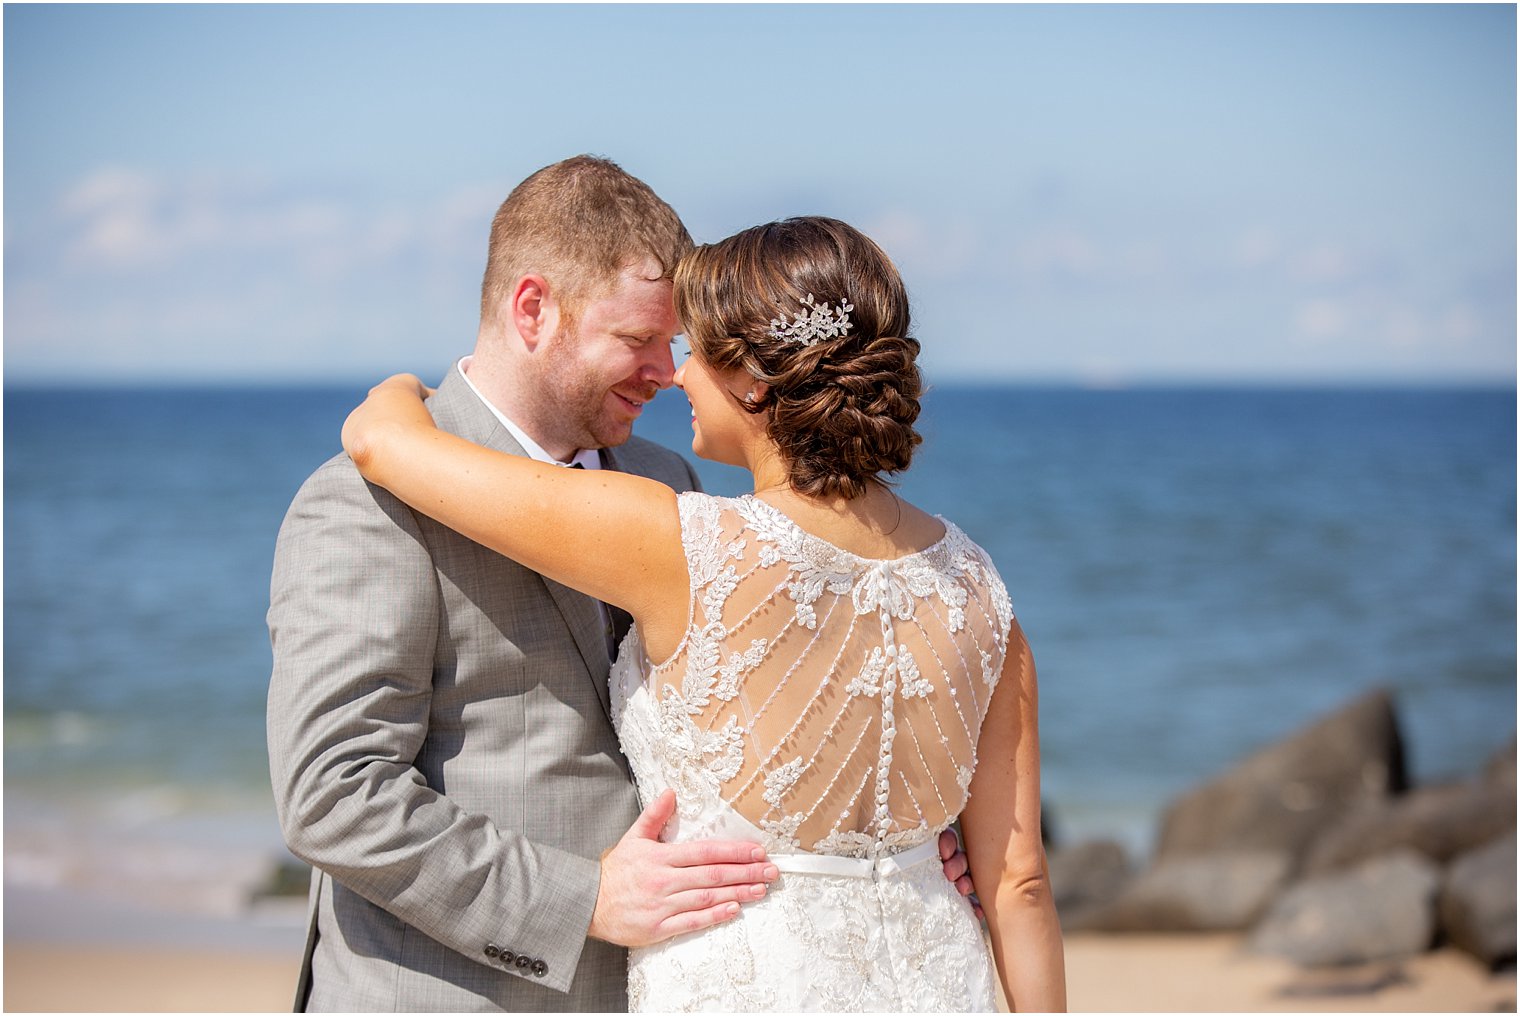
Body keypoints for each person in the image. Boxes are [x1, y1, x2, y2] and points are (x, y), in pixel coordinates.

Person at [267, 157, 975, 1012]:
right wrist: (583, 900)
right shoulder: (364, 500)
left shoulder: (667, 474)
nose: (667, 371)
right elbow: (333, 794)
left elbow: (760, 702)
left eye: (675, 343)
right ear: (534, 309)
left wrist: (885, 839)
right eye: (637, 340)